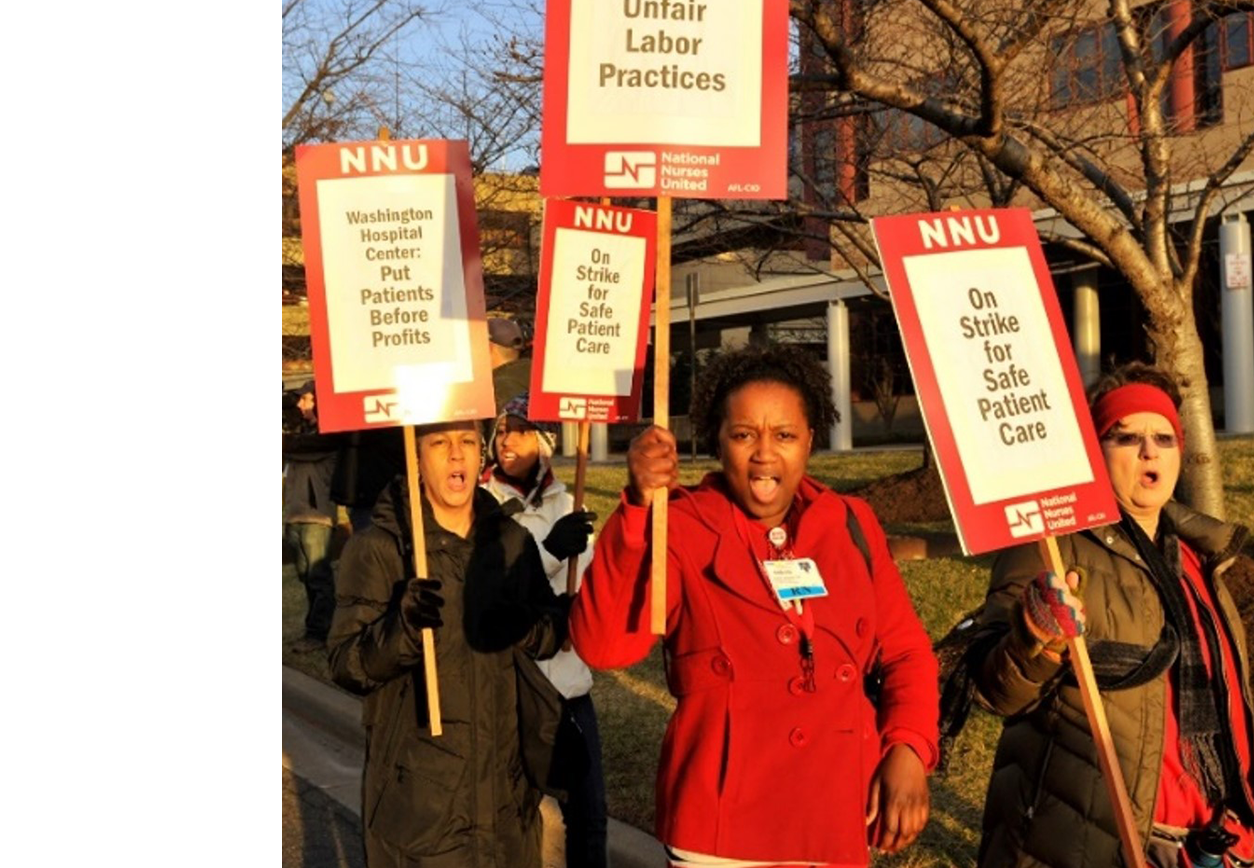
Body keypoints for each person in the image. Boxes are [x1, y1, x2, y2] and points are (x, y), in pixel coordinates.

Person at [571, 343, 940, 866]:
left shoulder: (851, 523)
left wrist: (907, 749)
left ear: (810, 439)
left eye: (784, 435)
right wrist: (636, 510)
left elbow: (906, 653)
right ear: (718, 441)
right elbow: (602, 644)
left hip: (836, 817)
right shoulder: (681, 525)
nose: (765, 453)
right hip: (725, 831)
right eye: (744, 435)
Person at [967, 362, 1254, 868]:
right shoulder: (1053, 545)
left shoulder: (1198, 559)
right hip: (1092, 842)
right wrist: (1032, 640)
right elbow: (991, 688)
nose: (1150, 451)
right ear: (1093, 451)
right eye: (1125, 437)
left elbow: (1221, 704)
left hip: (1209, 841)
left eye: (1164, 438)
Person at [327, 418, 571, 868]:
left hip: (507, 804)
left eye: (466, 442)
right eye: (439, 443)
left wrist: (524, 623)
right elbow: (346, 663)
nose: (456, 454)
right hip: (423, 813)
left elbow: (552, 632)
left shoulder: (510, 540)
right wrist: (399, 632)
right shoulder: (381, 548)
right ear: (416, 460)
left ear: (482, 454)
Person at [480, 391, 608, 868]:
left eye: (517, 428)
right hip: (515, 685)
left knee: (590, 814)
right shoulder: (482, 505)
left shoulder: (567, 499)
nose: (504, 439)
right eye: (499, 431)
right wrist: (550, 553)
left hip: (570, 684)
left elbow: (589, 578)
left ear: (545, 441)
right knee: (515, 816)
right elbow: (494, 586)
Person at [283, 380, 342, 651]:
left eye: (305, 399)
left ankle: (320, 633)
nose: (299, 405)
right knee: (306, 576)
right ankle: (314, 628)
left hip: (317, 516)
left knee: (319, 577)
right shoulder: (300, 434)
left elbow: (298, 447)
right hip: (296, 514)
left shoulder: (328, 434)